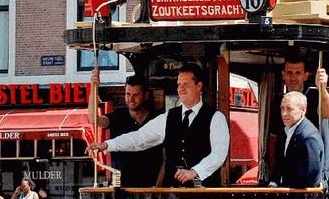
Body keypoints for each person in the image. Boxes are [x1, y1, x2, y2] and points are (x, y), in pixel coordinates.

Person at [88, 64, 230, 187]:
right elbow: (139, 138)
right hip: (172, 197)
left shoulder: (216, 117)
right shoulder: (169, 116)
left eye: (186, 84)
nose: (181, 89)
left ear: (199, 86)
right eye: (179, 85)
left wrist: (195, 171)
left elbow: (219, 153)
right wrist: (107, 145)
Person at [88, 70, 162, 187]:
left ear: (146, 95)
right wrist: (93, 88)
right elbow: (94, 119)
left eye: (135, 95)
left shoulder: (157, 118)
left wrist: (158, 186)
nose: (131, 99)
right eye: (128, 94)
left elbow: (165, 156)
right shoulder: (118, 115)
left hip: (151, 187)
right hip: (123, 187)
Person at [270, 92, 324, 188]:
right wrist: (274, 182)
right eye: (282, 108)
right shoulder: (286, 132)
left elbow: (312, 179)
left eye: (289, 109)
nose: (284, 113)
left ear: (303, 110)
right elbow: (282, 163)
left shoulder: (309, 137)